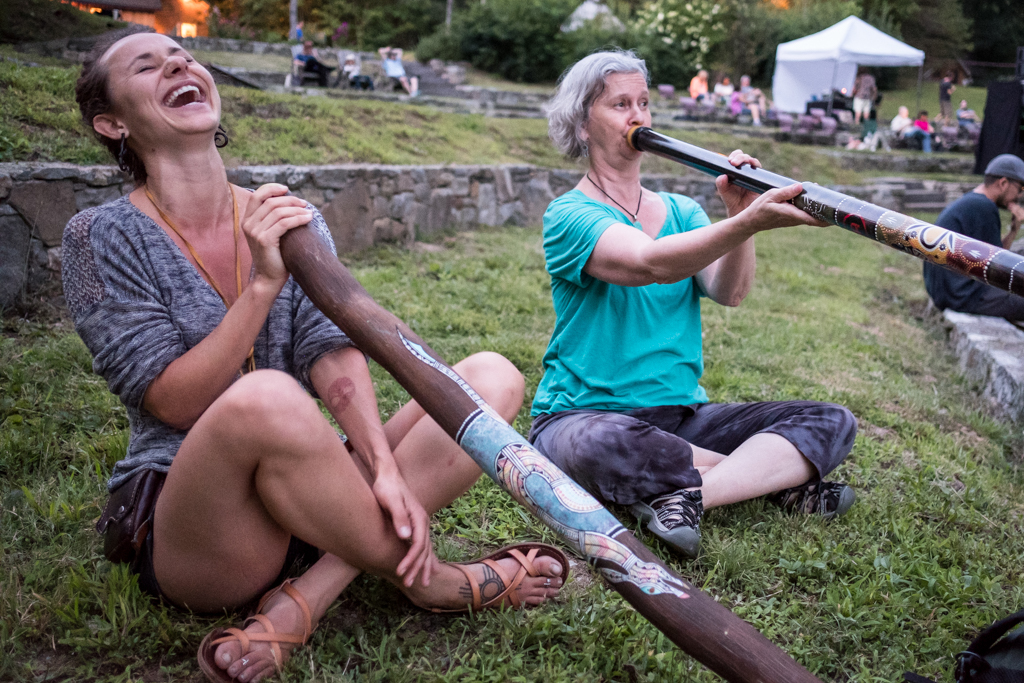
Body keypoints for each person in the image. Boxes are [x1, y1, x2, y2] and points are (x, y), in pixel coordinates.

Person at [68, 32, 566, 683]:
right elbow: (173, 402)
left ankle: (310, 593)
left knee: (488, 377)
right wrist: (263, 286)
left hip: (311, 500)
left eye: (182, 57)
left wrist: (382, 468)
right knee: (265, 396)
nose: (179, 64)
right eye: (147, 65)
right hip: (205, 532)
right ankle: (438, 582)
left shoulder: (287, 214)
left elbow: (330, 351)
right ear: (112, 123)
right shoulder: (100, 236)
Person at [535, 50, 857, 560]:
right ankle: (770, 480)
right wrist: (746, 222)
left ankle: (688, 494)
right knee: (604, 445)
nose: (638, 116)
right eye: (620, 104)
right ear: (581, 125)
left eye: (643, 102)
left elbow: (730, 292)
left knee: (831, 421)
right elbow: (650, 263)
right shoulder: (569, 215)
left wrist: (740, 217)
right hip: (586, 415)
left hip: (683, 416)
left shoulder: (682, 211)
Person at [923, 154, 1024, 321]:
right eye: (1021, 188)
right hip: (962, 294)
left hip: (949, 289)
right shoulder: (984, 207)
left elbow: (994, 257)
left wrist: (1014, 230)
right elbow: (998, 269)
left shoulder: (973, 201)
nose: (1020, 196)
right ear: (1003, 183)